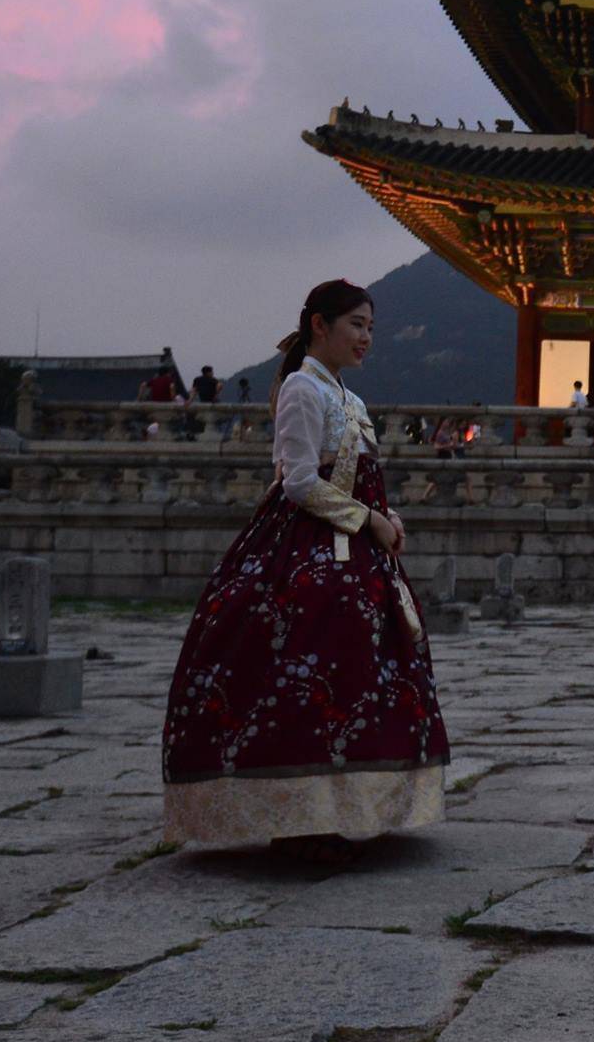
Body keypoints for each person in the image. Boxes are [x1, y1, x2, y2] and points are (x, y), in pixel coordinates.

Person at [161, 280, 448, 865]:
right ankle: (296, 817)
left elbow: (354, 478)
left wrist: (385, 516)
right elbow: (297, 481)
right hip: (305, 548)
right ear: (321, 325)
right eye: (356, 325)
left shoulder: (350, 398)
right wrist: (369, 520)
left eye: (370, 327)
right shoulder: (300, 388)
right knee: (302, 668)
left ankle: (351, 807)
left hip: (357, 547)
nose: (366, 337)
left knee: (366, 668)